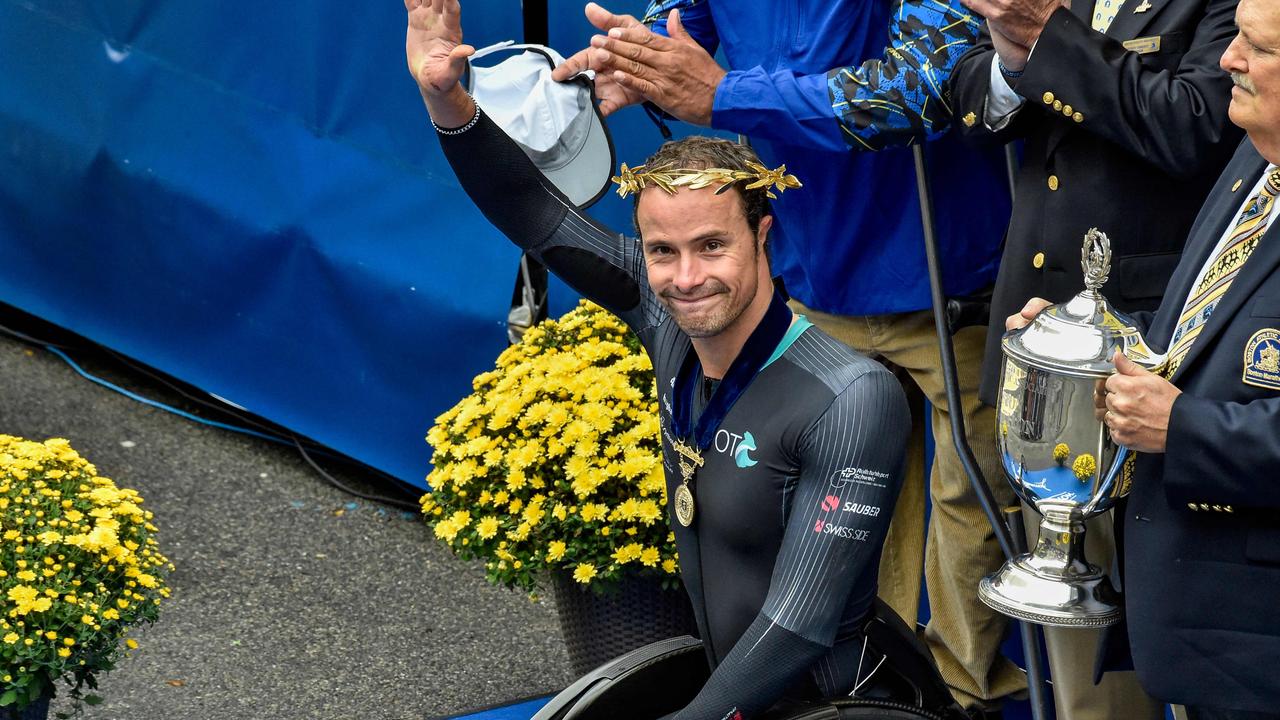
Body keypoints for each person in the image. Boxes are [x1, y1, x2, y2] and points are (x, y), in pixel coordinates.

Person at [404, 1, 919, 716]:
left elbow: (800, 624)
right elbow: (533, 210)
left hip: (838, 707)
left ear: (762, 235)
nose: (686, 278)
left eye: (712, 245)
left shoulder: (852, 397)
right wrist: (447, 99)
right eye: (662, 252)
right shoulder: (664, 318)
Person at [551, 4, 1023, 713]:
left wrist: (720, 93)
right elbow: (686, 19)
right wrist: (643, 52)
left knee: (971, 497)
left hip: (944, 271)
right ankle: (858, 694)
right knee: (841, 511)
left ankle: (947, 697)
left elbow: (912, 87)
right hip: (809, 263)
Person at [947, 0, 1242, 713]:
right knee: (1077, 668)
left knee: (1164, 643)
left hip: (1153, 354)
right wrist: (1015, 61)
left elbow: (1197, 127)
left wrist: (1051, 38)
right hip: (1037, 343)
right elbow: (967, 99)